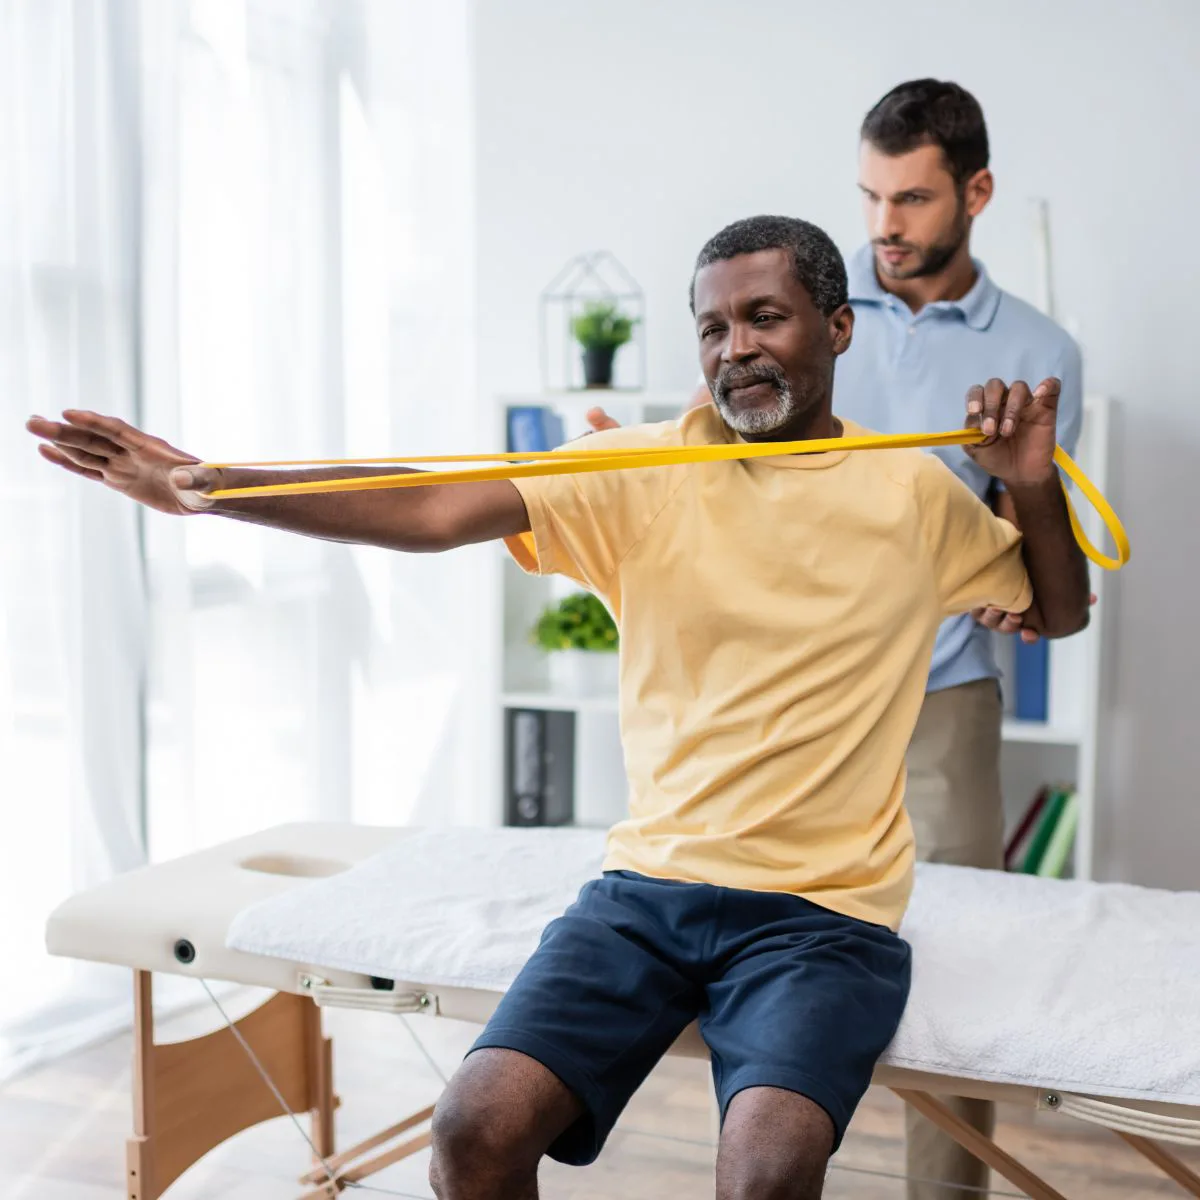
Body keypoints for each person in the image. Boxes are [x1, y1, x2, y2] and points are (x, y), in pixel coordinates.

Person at [26, 214, 1091, 1200]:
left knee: (767, 1172)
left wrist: (1029, 484)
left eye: (766, 316)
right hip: (647, 892)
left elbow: (1056, 607)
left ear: (838, 328)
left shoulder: (912, 495)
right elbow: (431, 502)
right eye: (712, 326)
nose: (735, 348)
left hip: (825, 918)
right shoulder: (636, 467)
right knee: (472, 1133)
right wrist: (215, 485)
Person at [589, 81, 1086, 1199]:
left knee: (962, 976)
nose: (885, 226)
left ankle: (944, 1191)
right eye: (871, 197)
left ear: (976, 194)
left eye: (911, 199)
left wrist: (1014, 531)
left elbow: (1027, 552)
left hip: (943, 691)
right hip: (786, 694)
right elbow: (747, 463)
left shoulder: (1040, 348)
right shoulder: (798, 299)